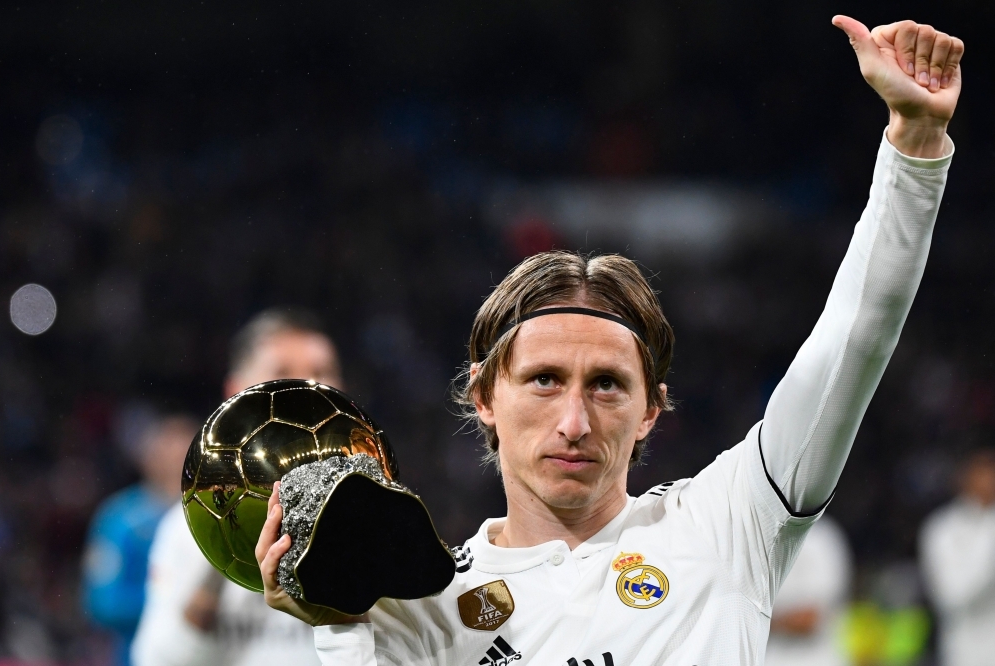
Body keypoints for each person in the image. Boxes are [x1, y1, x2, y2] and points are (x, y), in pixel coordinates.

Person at [256, 16, 962, 665]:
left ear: (651, 409)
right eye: (543, 379)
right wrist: (337, 621)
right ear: (484, 397)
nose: (574, 421)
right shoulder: (418, 610)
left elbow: (855, 338)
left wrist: (916, 145)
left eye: (607, 384)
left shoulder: (729, 524)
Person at [131, 308, 343, 666]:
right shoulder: (187, 528)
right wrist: (222, 548)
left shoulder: (376, 518)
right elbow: (158, 659)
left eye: (321, 373)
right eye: (281, 373)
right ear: (235, 393)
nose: (307, 389)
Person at [82, 413, 200, 666]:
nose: (176, 464)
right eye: (168, 455)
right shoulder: (121, 519)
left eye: (185, 455)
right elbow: (104, 602)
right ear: (150, 459)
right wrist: (176, 602)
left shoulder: (215, 517)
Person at [920, 449, 995, 666]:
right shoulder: (942, 528)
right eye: (982, 471)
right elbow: (951, 596)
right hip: (964, 652)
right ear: (965, 476)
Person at [765, 515, 853, 666]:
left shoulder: (820, 536)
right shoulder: (763, 532)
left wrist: (757, 618)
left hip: (813, 659)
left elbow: (810, 617)